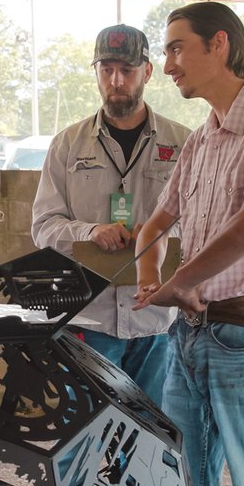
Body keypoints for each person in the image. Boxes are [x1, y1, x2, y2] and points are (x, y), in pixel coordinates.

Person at [134, 2, 244, 486]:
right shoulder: (199, 140)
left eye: (175, 47)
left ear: (220, 44)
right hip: (188, 333)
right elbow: (152, 228)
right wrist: (154, 284)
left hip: (242, 331)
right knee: (181, 480)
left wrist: (179, 282)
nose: (167, 65)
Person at [32, 24, 190, 407]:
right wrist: (91, 231)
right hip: (88, 319)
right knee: (80, 434)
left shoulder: (183, 142)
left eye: (127, 70)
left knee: (150, 436)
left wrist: (159, 231)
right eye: (106, 70)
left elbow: (200, 223)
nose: (116, 81)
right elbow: (42, 227)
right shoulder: (67, 145)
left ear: (148, 72)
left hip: (155, 322)